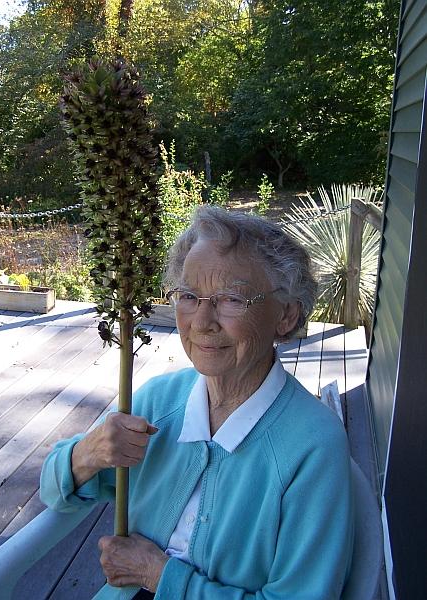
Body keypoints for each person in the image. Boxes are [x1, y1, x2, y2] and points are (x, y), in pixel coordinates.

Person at [40, 205, 354, 600]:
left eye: (231, 299)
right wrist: (89, 453)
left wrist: (158, 575)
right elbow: (52, 489)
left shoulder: (313, 445)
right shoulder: (158, 400)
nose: (202, 321)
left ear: (287, 316)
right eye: (189, 295)